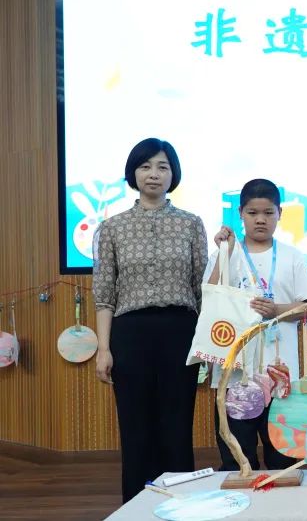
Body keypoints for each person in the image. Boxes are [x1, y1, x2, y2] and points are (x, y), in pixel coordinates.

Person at [92, 138, 207, 502]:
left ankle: (181, 506)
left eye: (162, 167)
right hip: (130, 333)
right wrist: (103, 349)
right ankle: (136, 507)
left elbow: (201, 289)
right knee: (135, 427)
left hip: (180, 331)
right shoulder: (112, 228)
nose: (153, 174)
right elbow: (104, 294)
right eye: (145, 166)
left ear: (173, 174)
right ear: (133, 173)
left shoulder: (191, 224)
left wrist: (206, 345)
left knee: (177, 425)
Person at [205, 179, 307, 471]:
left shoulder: (293, 257)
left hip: (281, 375)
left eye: (268, 213)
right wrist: (224, 252)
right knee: (237, 460)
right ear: (240, 214)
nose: (260, 219)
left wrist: (277, 310)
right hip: (234, 376)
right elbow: (211, 298)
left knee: (283, 460)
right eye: (252, 212)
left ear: (280, 214)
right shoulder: (225, 253)